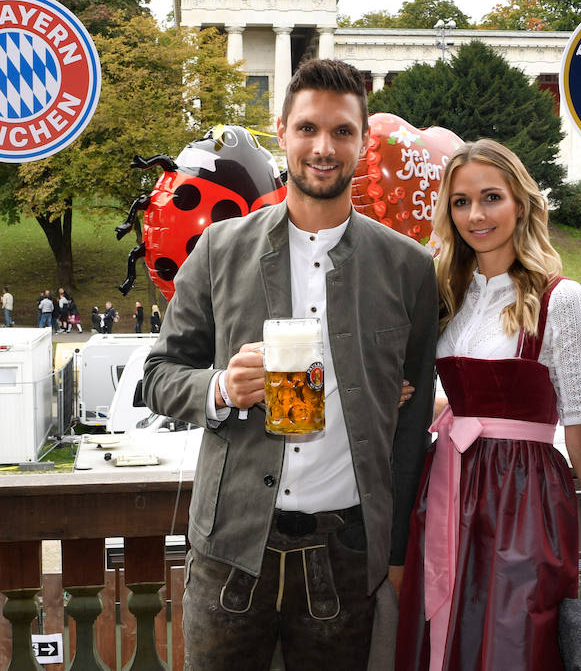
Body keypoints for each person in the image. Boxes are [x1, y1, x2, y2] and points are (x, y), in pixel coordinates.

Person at [143, 58, 438, 671]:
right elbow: (159, 374)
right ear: (282, 131)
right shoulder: (221, 250)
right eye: (308, 129)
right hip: (231, 548)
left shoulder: (407, 268)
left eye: (341, 131)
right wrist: (223, 387)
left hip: (346, 553)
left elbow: (411, 430)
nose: (323, 148)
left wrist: (399, 550)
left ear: (361, 140)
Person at [395, 139, 581, 671]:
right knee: (443, 637)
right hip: (446, 486)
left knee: (513, 645)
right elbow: (460, 394)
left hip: (523, 497)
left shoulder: (560, 297)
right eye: (460, 202)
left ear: (520, 204)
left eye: (490, 197)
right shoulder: (444, 290)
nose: (476, 214)